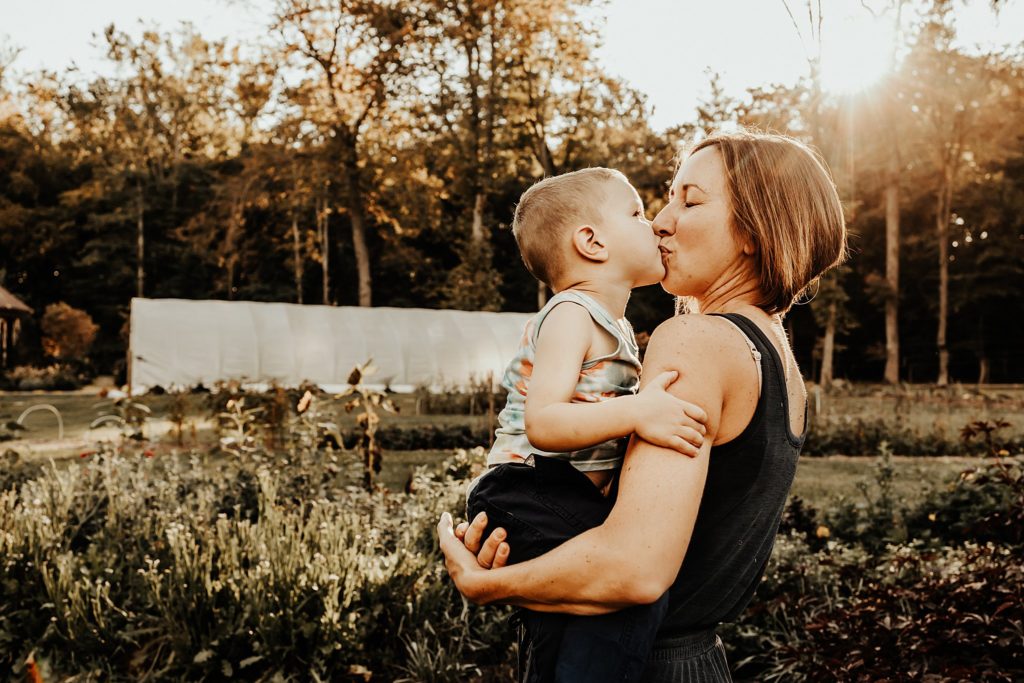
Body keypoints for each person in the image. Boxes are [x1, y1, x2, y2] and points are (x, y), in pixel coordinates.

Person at [439, 130, 848, 682]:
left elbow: (632, 569)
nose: (661, 220)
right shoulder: (776, 354)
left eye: (690, 199)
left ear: (753, 231)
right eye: (664, 198)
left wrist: (487, 584)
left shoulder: (695, 340)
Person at [466, 167, 708, 682]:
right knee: (628, 587)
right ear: (592, 242)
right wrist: (639, 411)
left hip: (558, 491)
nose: (655, 226)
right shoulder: (571, 314)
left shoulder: (613, 325)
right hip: (525, 486)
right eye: (637, 214)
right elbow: (546, 423)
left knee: (571, 620)